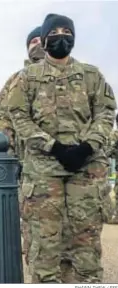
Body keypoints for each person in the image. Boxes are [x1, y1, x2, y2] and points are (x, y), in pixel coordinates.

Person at [7, 13, 116, 283]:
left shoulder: (92, 76)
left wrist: (87, 146)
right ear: (44, 40)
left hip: (86, 168)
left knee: (86, 243)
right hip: (44, 170)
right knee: (45, 246)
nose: (61, 36)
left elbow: (105, 112)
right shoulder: (26, 78)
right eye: (54, 32)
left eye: (66, 31)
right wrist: (53, 147)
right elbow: (19, 116)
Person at [0, 25, 46, 258]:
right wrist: (10, 159)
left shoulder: (82, 75)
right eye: (33, 41)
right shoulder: (16, 81)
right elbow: (3, 121)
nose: (38, 45)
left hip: (74, 167)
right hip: (33, 167)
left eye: (41, 39)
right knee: (37, 235)